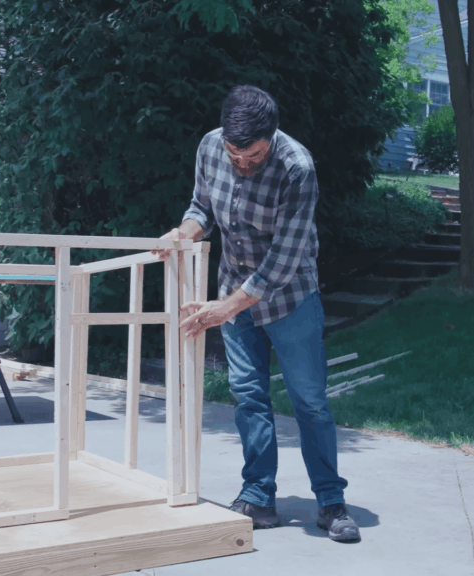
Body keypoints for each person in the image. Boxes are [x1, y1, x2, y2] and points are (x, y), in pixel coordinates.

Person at [152, 85, 360, 542]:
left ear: (272, 135)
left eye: (255, 157)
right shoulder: (210, 146)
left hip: (291, 299)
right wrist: (181, 233)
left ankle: (330, 502)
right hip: (233, 291)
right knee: (249, 397)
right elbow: (200, 208)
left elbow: (286, 258)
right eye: (236, 156)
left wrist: (226, 307)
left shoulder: (297, 168)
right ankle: (259, 497)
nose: (244, 165)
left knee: (310, 401)